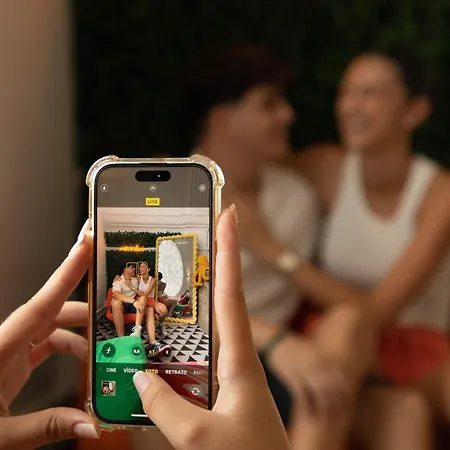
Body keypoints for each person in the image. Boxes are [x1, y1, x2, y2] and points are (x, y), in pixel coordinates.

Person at [234, 49, 450, 449]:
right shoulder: (323, 168)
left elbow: (376, 312)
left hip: (411, 347)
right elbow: (240, 168)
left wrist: (274, 252)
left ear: (414, 111)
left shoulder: (440, 194)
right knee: (401, 406)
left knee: (352, 326)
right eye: (346, 92)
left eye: (370, 93)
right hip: (340, 346)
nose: (350, 106)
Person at [179, 44, 374, 450]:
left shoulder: (295, 198)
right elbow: (166, 312)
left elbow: (360, 309)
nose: (288, 115)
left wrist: (270, 248)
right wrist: (273, 341)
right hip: (203, 362)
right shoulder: (169, 192)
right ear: (221, 119)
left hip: (279, 373)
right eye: (269, 104)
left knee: (350, 326)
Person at [0, 209, 292, 450]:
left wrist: (147, 296)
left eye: (139, 269)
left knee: (148, 307)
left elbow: (150, 292)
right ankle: (137, 337)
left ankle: (145, 338)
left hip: (146, 306)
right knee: (133, 306)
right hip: (130, 306)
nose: (136, 271)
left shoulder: (149, 279)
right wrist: (135, 297)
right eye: (134, 269)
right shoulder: (121, 280)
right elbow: (119, 295)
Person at [111, 263, 170, 358]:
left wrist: (136, 299)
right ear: (125, 269)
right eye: (132, 268)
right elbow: (116, 294)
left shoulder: (136, 279)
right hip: (124, 304)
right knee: (116, 303)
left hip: (135, 304)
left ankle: (150, 342)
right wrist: (133, 301)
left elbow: (144, 290)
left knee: (149, 308)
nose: (135, 269)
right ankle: (122, 340)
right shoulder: (118, 280)